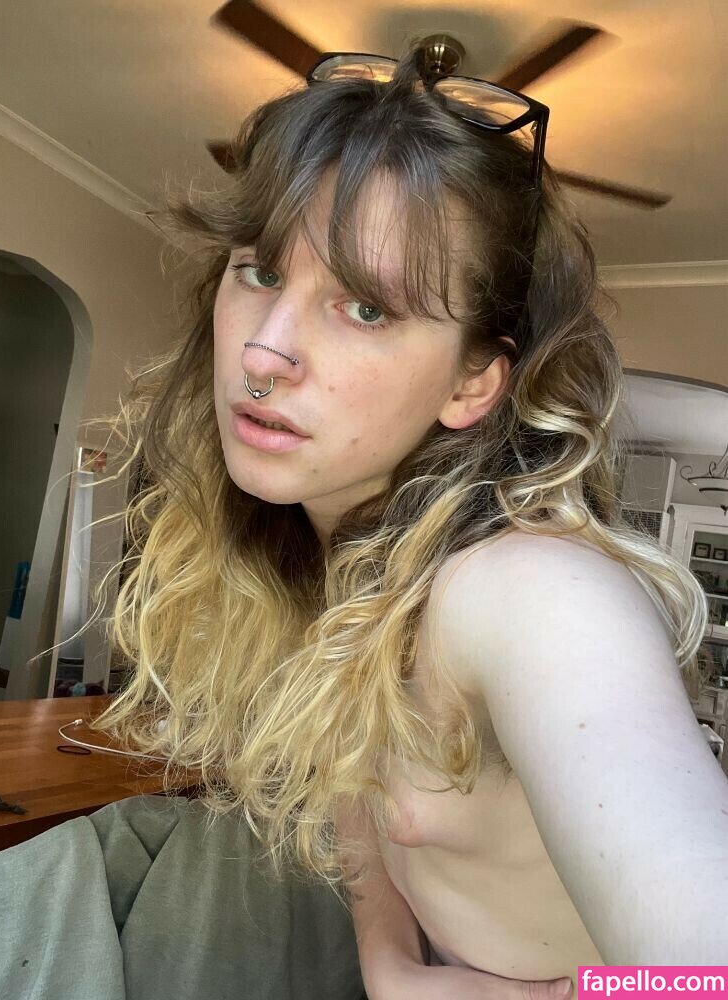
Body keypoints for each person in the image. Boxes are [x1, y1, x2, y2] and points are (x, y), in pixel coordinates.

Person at [89, 44, 728, 998]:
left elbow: (708, 972)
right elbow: (355, 783)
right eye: (259, 272)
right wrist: (387, 963)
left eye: (365, 307)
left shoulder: (532, 593)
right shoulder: (343, 563)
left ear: (472, 383)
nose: (263, 354)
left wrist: (567, 997)